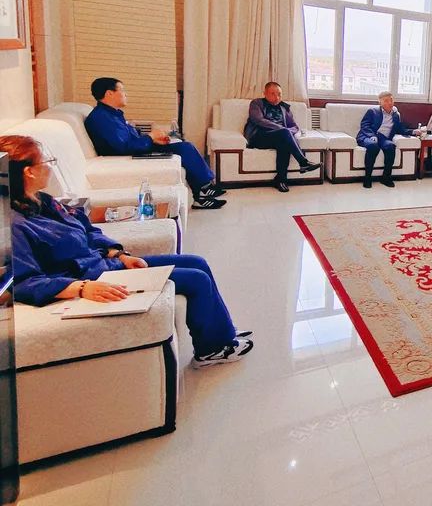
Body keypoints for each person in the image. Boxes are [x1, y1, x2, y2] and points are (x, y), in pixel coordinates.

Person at [1, 135, 253, 367]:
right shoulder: (16, 225)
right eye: (47, 162)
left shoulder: (43, 201)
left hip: (107, 265)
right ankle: (211, 350)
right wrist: (81, 287)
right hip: (95, 279)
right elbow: (24, 282)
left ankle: (223, 332)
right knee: (196, 280)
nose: (50, 167)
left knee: (197, 262)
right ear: (28, 172)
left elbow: (87, 229)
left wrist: (119, 254)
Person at [84, 77, 226, 210]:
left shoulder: (112, 114)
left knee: (181, 144)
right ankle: (203, 190)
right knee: (184, 148)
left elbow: (129, 138)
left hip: (135, 148)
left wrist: (153, 139)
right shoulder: (101, 118)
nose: (126, 94)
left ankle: (203, 189)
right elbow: (123, 147)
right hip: (128, 155)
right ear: (109, 93)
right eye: (122, 90)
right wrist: (150, 137)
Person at [243, 82, 323, 193]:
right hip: (258, 137)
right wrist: (283, 129)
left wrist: (287, 132)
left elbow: (294, 127)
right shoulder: (257, 103)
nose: (277, 97)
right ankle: (303, 162)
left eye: (279, 94)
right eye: (273, 94)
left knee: (284, 142)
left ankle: (281, 180)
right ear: (265, 93)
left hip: (278, 137)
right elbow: (258, 120)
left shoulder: (284, 108)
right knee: (284, 134)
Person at [356, 92, 421, 189]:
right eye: (386, 101)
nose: (390, 103)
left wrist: (413, 132)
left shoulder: (395, 115)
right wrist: (372, 136)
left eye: (391, 100)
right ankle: (367, 177)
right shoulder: (372, 111)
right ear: (380, 102)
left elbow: (399, 129)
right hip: (367, 136)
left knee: (391, 146)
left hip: (383, 138)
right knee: (373, 146)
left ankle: (386, 177)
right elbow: (364, 125)